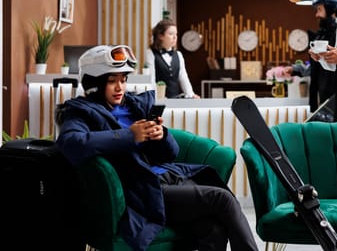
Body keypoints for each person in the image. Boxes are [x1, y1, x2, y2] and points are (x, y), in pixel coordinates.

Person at [56, 45, 258, 251]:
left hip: (171, 176)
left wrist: (161, 136)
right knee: (222, 199)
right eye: (111, 81)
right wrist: (129, 135)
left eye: (123, 80)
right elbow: (71, 143)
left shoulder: (134, 106)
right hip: (144, 190)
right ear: (93, 83)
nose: (120, 87)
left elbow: (171, 153)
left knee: (212, 229)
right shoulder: (80, 112)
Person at [285, 0, 337, 114]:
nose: (317, 14)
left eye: (319, 9)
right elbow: (317, 65)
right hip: (320, 96)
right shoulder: (320, 35)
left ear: (331, 10)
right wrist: (297, 69)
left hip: (336, 99)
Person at [146, 19, 200, 99]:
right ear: (160, 36)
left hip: (176, 100)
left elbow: (183, 77)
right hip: (158, 100)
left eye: (176, 34)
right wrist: (158, 96)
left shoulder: (179, 54)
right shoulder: (150, 53)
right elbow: (151, 79)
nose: (175, 37)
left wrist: (190, 94)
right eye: (171, 34)